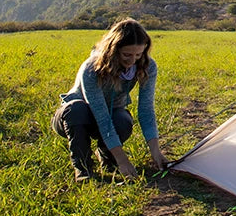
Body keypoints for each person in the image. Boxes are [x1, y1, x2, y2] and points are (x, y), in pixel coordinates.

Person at [51, 18, 167, 183]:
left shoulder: (147, 66)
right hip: (75, 118)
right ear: (113, 50)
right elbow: (102, 117)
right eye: (126, 54)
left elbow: (146, 110)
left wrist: (156, 151)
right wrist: (123, 159)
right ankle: (83, 168)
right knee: (77, 110)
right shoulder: (92, 69)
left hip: (110, 114)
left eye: (138, 54)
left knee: (123, 119)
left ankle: (106, 156)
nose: (132, 60)